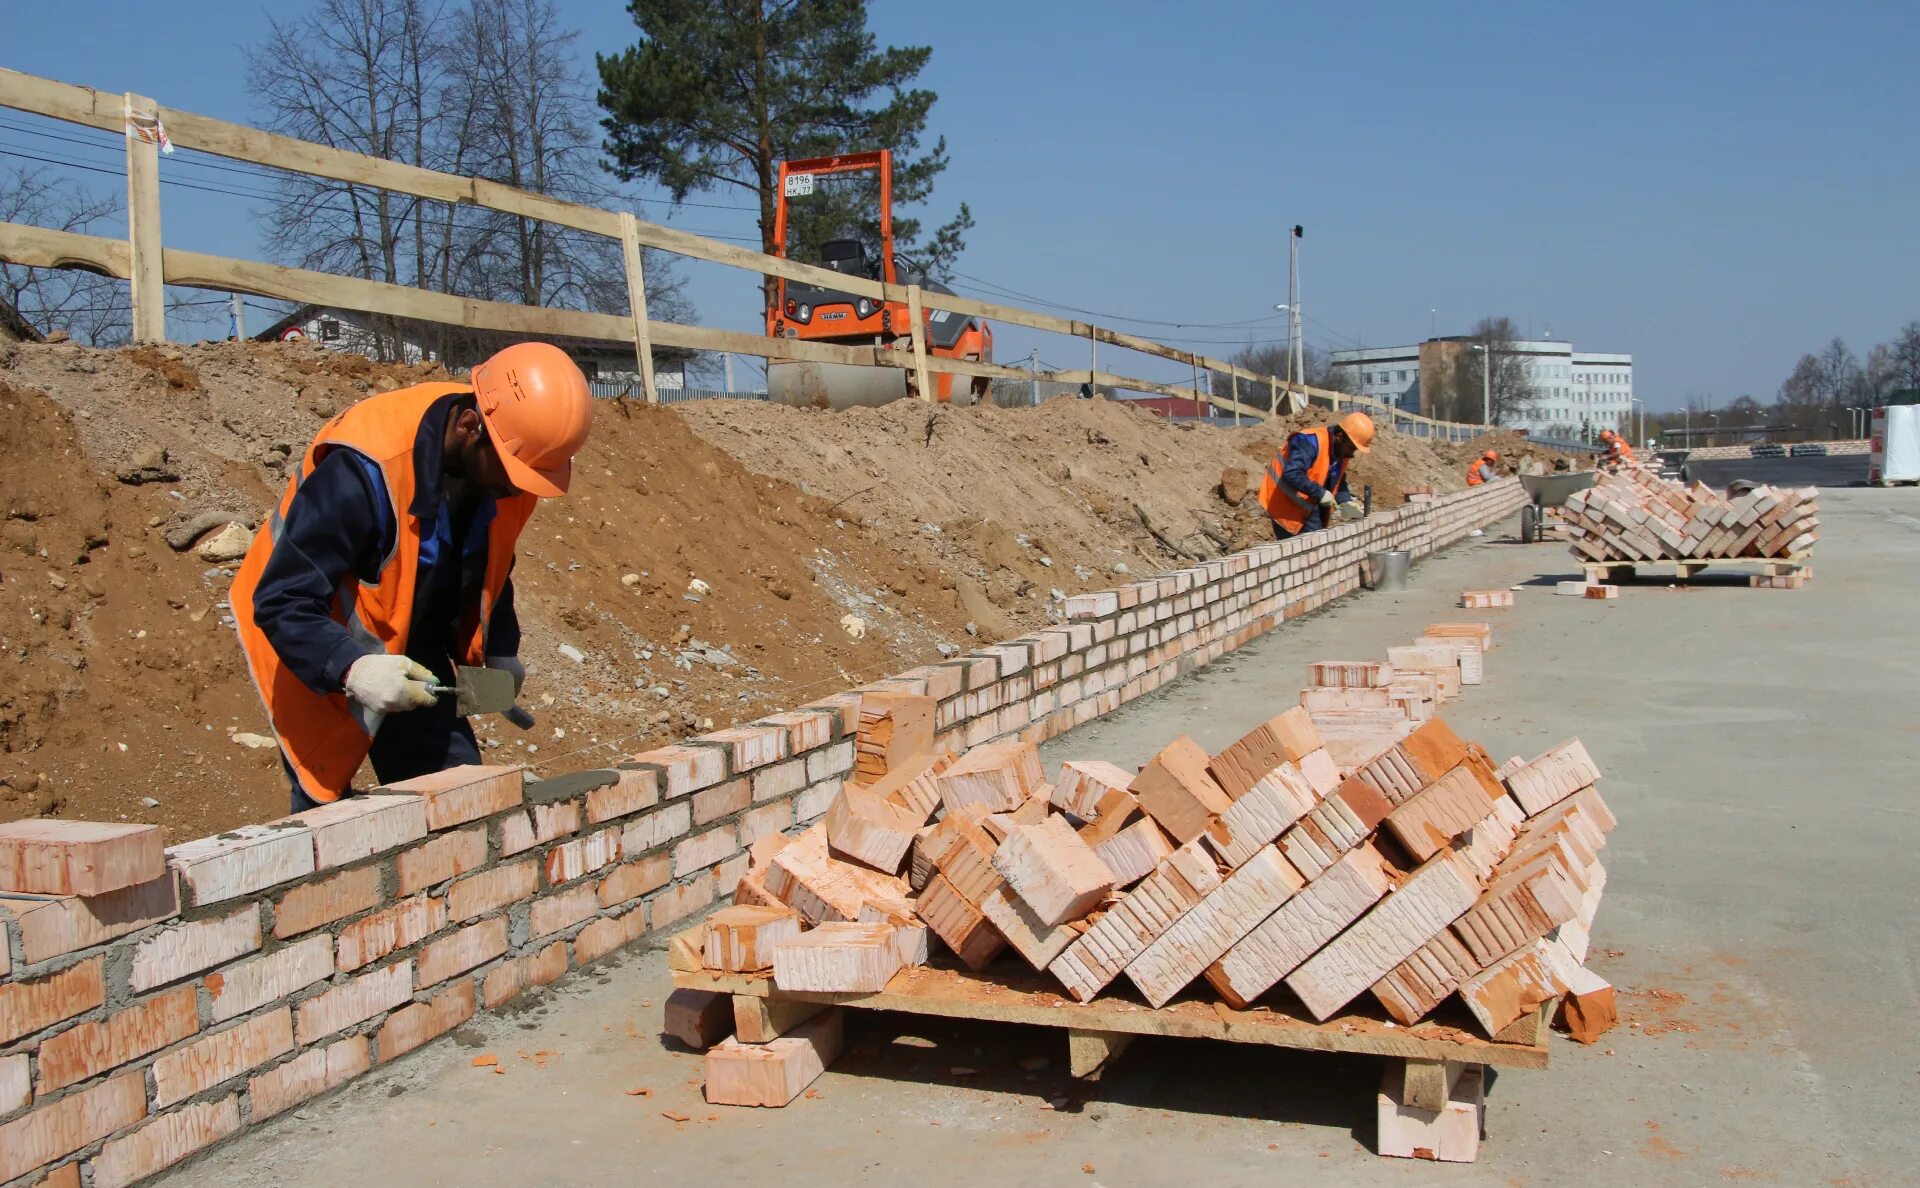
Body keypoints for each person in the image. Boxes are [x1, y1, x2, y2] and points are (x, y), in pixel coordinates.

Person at [230, 342, 594, 810]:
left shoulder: (510, 463)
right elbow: (283, 599)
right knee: (322, 816)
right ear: (469, 427)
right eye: (512, 474)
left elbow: (493, 560)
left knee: (460, 797)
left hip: (408, 640)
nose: (517, 488)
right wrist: (353, 668)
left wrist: (501, 646)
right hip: (317, 641)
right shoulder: (363, 468)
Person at [1258, 411, 1374, 539]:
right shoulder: (1309, 442)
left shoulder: (1340, 450)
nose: (1352, 453)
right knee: (1300, 554)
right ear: (1340, 436)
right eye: (1352, 448)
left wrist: (1345, 500)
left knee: (1316, 547)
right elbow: (1292, 473)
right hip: (1285, 507)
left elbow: (1337, 477)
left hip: (1309, 504)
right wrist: (1320, 493)